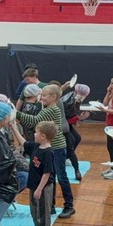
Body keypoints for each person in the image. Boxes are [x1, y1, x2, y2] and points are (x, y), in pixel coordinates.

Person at [16, 84, 75, 218]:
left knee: (61, 176)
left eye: (44, 95)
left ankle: (69, 206)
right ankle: (51, 205)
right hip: (53, 148)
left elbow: (34, 121)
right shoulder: (49, 108)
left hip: (57, 148)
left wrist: (16, 112)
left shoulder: (51, 109)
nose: (41, 97)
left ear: (53, 97)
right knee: (52, 178)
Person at [11, 119, 56, 226]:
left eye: (36, 132)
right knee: (34, 212)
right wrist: (14, 128)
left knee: (43, 213)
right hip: (34, 186)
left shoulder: (48, 152)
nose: (34, 134)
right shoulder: (37, 146)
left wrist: (39, 189)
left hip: (43, 188)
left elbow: (47, 173)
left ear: (43, 136)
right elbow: (23, 143)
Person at [60, 82, 91, 181]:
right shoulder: (68, 101)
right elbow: (64, 119)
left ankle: (66, 157)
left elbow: (71, 115)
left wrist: (76, 119)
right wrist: (79, 118)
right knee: (71, 142)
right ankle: (76, 168)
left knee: (77, 138)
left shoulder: (75, 99)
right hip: (61, 125)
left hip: (66, 123)